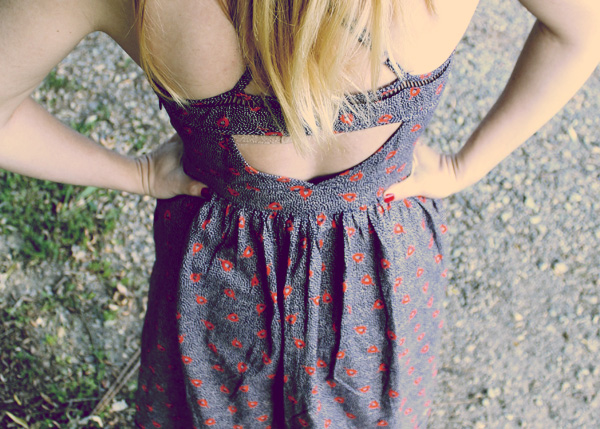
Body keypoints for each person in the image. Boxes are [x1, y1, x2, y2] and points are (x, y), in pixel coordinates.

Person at [1, 0, 598, 427]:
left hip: (220, 281)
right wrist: (463, 166)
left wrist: (136, 174)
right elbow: (581, 29)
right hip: (382, 275)